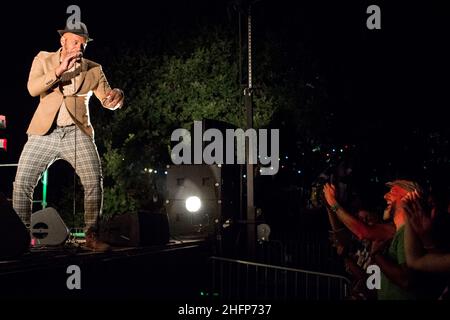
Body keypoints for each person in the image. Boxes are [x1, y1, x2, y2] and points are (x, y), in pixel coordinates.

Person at [12, 22, 124, 251]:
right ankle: (18, 239)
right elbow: (32, 89)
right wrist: (59, 69)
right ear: (62, 41)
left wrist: (117, 98)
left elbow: (107, 100)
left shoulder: (94, 69)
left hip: (77, 133)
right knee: (22, 183)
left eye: (83, 44)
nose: (79, 48)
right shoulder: (43, 58)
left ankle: (91, 237)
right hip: (44, 131)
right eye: (75, 42)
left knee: (94, 182)